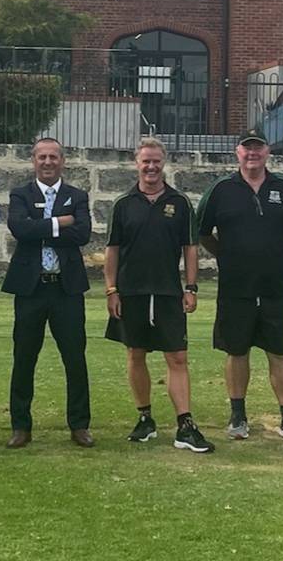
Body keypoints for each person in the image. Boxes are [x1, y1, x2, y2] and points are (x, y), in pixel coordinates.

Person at [197, 130, 283, 444]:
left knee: (280, 352)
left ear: (267, 152)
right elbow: (202, 231)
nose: (253, 154)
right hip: (236, 287)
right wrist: (227, 255)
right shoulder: (221, 190)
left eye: (258, 148)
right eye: (247, 148)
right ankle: (238, 416)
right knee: (237, 351)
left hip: (276, 287)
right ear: (237, 152)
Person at [104, 136, 214, 454]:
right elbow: (111, 250)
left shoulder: (179, 203)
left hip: (168, 293)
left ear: (164, 163)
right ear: (136, 163)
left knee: (177, 357)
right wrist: (111, 290)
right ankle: (145, 418)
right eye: (145, 161)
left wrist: (191, 287)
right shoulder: (123, 204)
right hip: (132, 292)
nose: (151, 167)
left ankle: (185, 425)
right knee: (135, 354)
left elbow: (190, 249)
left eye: (156, 161)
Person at [1, 137, 93, 449]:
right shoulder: (20, 194)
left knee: (74, 358)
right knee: (24, 357)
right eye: (42, 157)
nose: (48, 162)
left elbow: (81, 233)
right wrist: (58, 223)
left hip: (66, 290)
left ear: (62, 161)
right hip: (31, 289)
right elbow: (20, 229)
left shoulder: (76, 195)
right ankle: (21, 426)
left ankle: (80, 425)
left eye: (54, 157)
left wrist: (41, 226)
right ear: (33, 161)